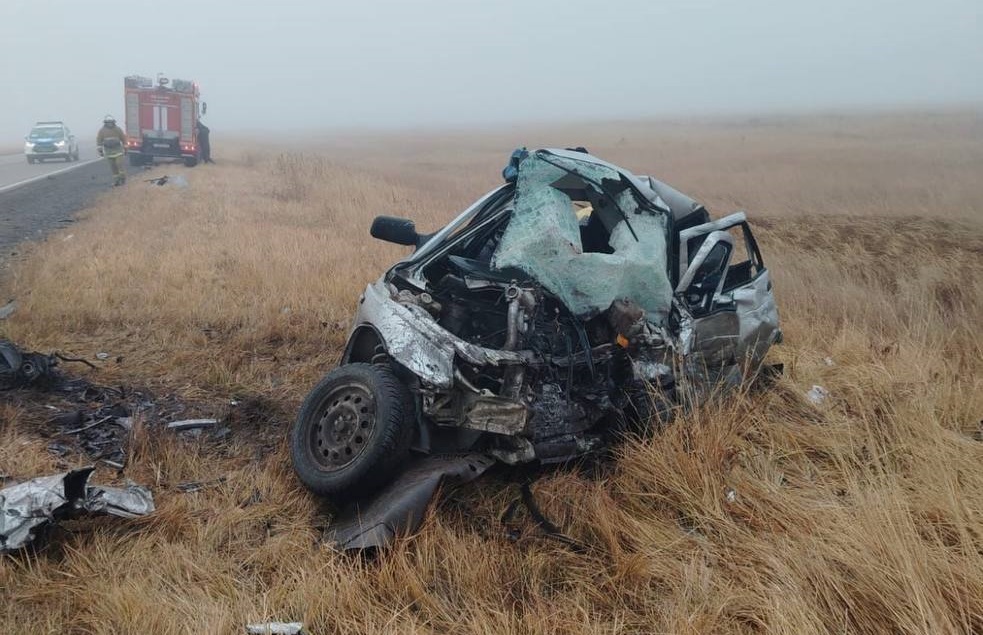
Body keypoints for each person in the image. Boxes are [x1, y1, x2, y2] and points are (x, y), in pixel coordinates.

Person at [96, 115, 127, 186]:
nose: (110, 124)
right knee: (113, 167)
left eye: (111, 122)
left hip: (118, 151)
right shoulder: (102, 131)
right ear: (105, 123)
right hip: (109, 152)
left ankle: (122, 179)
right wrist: (100, 150)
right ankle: (116, 181)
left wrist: (125, 147)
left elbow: (123, 138)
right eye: (108, 122)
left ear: (113, 122)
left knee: (119, 165)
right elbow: (99, 140)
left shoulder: (118, 129)